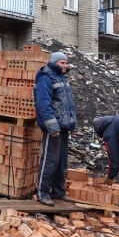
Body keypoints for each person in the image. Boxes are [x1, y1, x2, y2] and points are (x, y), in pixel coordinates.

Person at [33, 52, 77, 206]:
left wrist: (72, 124)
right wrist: (52, 127)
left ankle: (58, 192)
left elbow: (68, 104)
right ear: (54, 63)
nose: (65, 66)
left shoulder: (62, 77)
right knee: (50, 160)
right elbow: (43, 104)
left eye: (66, 63)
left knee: (61, 161)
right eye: (62, 63)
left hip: (64, 127)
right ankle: (43, 193)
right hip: (53, 127)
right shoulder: (46, 77)